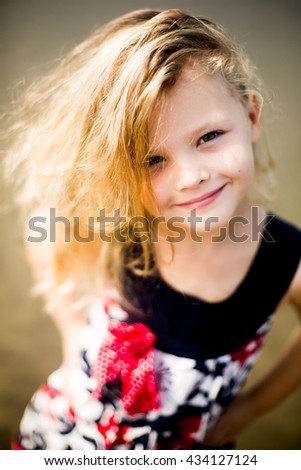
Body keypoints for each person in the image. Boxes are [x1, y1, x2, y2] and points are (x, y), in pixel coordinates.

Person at [6, 8, 301, 450]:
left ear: (252, 116)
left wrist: (251, 407)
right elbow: (43, 229)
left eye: (209, 137)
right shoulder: (122, 220)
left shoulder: (286, 258)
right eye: (152, 160)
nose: (190, 177)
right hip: (65, 435)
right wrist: (69, 328)